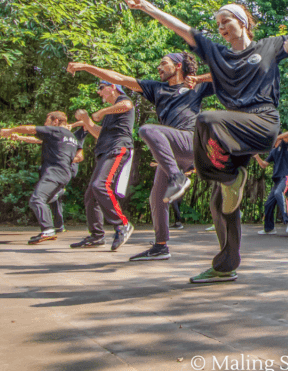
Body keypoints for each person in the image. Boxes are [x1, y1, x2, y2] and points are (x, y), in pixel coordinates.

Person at [123, 0, 288, 283]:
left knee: (206, 118)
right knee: (220, 202)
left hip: (262, 121)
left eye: (226, 21)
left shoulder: (268, 46)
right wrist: (146, 7)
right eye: (218, 24)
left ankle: (224, 180)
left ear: (244, 22)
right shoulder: (218, 54)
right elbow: (182, 29)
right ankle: (225, 265)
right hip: (233, 132)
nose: (222, 27)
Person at [67, 53, 213, 262]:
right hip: (171, 149)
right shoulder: (156, 88)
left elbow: (229, 76)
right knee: (157, 197)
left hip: (189, 140)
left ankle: (177, 177)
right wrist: (86, 66)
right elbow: (118, 78)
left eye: (164, 63)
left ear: (178, 66)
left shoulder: (196, 86)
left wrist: (200, 78)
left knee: (147, 130)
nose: (159, 67)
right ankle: (161, 246)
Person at [69, 81, 137, 252]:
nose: (99, 93)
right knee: (91, 195)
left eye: (101, 88)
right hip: (106, 150)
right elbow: (99, 134)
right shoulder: (112, 113)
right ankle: (97, 236)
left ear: (112, 87)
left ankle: (122, 224)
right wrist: (86, 121)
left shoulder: (122, 101)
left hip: (118, 148)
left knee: (100, 185)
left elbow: (128, 104)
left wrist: (102, 111)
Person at [0, 111, 84, 244]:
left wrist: (10, 130)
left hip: (54, 172)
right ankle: (57, 193)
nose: (45, 124)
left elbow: (30, 129)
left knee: (36, 200)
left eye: (47, 120)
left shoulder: (55, 131)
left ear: (55, 121)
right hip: (65, 173)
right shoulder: (71, 137)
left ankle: (48, 229)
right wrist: (19, 137)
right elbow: (79, 156)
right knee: (44, 199)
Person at [253, 131, 288, 235]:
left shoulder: (284, 145)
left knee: (279, 193)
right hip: (278, 181)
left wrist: (275, 137)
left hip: (287, 177)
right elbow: (264, 165)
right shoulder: (273, 151)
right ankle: (269, 229)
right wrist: (257, 157)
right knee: (268, 204)